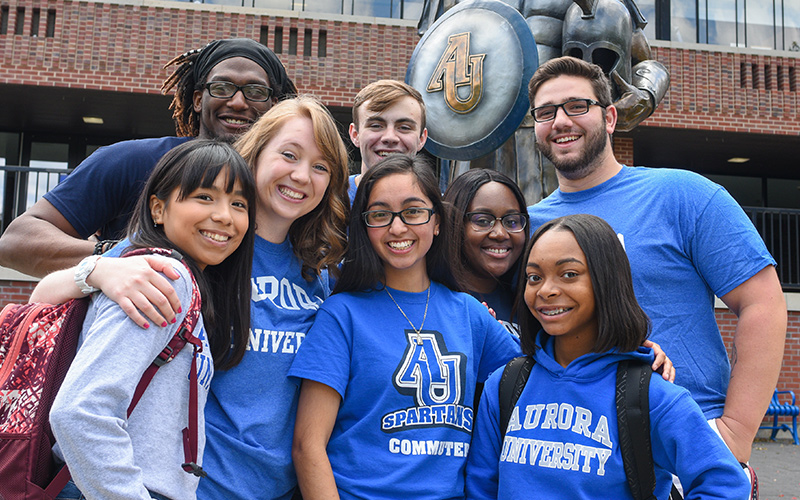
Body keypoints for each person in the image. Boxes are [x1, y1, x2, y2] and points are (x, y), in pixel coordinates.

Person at [36, 96, 351, 500]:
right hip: (188, 487)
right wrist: (101, 269)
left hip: (275, 488)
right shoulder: (197, 245)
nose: (302, 175)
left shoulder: (318, 272)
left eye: (321, 167)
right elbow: (46, 296)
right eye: (289, 155)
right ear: (255, 153)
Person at [525, 56, 787, 465]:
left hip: (683, 444)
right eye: (546, 112)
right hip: (575, 451)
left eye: (577, 106)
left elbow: (763, 303)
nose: (560, 121)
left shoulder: (683, 194)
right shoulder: (528, 226)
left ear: (610, 117)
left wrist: (735, 430)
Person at [465, 213, 750, 499]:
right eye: (534, 277)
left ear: (607, 281)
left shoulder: (651, 396)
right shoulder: (505, 385)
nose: (546, 290)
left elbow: (724, 485)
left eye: (569, 274)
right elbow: (481, 489)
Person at [33, 139, 256, 500]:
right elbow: (81, 411)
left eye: (239, 204)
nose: (224, 216)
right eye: (204, 196)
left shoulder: (161, 275)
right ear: (158, 208)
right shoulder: (165, 278)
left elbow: (40, 298)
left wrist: (92, 271)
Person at [289, 154, 520, 500]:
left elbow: (536, 378)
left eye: (413, 211)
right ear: (365, 227)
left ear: (437, 222)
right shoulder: (343, 315)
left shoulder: (470, 314)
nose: (397, 228)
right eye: (380, 215)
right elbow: (308, 446)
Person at [0, 37, 296, 278]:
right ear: (197, 99)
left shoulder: (289, 186)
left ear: (274, 105)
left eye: (256, 91)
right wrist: (120, 256)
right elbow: (15, 242)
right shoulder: (136, 161)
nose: (238, 101)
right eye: (221, 87)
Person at [443, 169, 528, 336]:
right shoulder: (436, 303)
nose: (500, 234)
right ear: (455, 223)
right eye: (483, 221)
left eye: (511, 221)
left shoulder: (530, 301)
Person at [347, 80, 428, 201]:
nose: (390, 137)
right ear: (355, 135)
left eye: (404, 128)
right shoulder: (328, 200)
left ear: (422, 139)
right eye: (376, 126)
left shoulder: (439, 208)